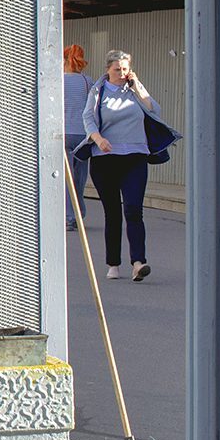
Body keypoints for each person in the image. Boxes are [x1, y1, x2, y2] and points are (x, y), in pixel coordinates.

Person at [84, 49, 161, 281]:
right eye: (117, 69)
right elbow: (88, 117)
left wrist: (137, 86)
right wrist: (98, 139)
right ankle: (113, 264)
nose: (121, 73)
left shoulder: (134, 90)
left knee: (134, 210)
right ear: (108, 69)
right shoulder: (98, 90)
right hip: (105, 158)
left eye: (125, 69)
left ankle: (138, 262)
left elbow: (154, 110)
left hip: (135, 156)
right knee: (113, 213)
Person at [63, 44, 93, 232]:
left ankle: (69, 216)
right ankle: (79, 213)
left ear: (64, 60)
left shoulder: (58, 81)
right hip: (83, 134)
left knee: (67, 177)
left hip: (64, 134)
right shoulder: (87, 81)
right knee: (80, 178)